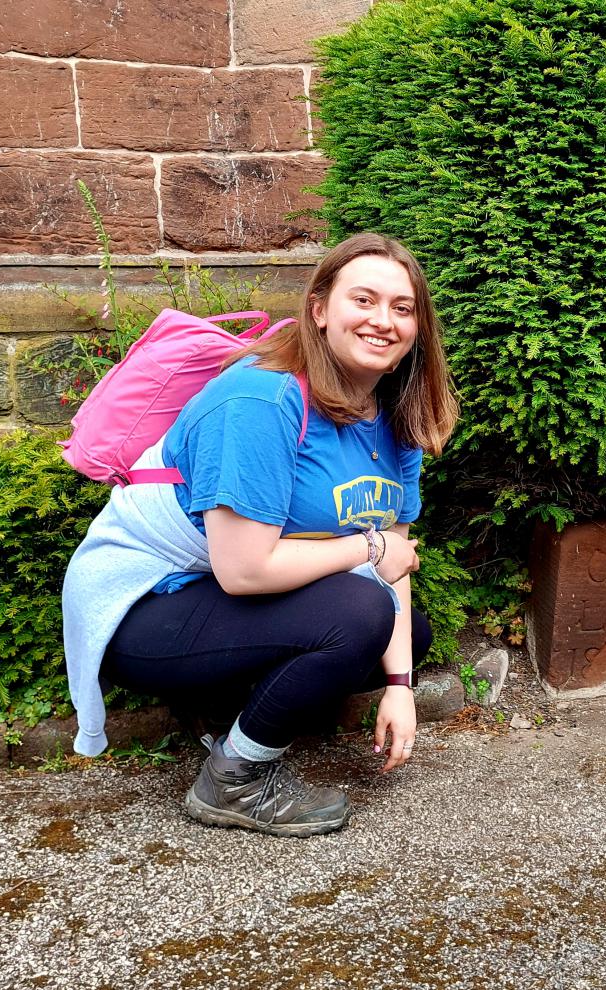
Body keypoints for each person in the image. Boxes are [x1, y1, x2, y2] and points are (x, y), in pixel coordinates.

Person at [63, 232, 458, 838]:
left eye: (403, 309)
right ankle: (234, 779)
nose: (384, 321)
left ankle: (220, 711)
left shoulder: (395, 416)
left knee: (406, 633)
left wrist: (401, 689)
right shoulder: (260, 399)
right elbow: (246, 571)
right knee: (359, 613)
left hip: (219, 600)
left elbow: (395, 568)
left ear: (418, 328)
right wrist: (370, 549)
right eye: (364, 300)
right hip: (143, 607)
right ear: (320, 310)